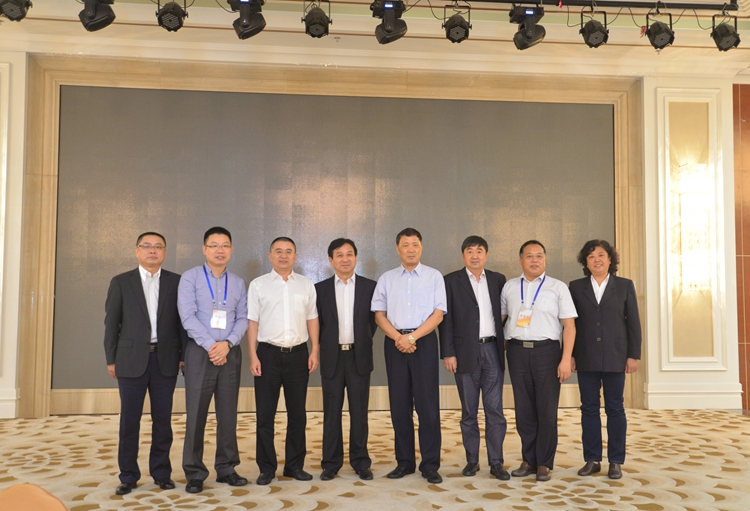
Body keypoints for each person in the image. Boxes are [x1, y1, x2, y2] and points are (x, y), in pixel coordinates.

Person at [104, 232, 186, 495]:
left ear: (164, 252)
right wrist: (111, 359)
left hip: (165, 359)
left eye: (158, 246)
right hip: (130, 360)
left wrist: (183, 355)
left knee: (163, 420)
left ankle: (161, 472)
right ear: (137, 250)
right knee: (129, 421)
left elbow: (182, 323)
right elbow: (111, 324)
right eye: (147, 246)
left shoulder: (176, 282)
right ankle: (128, 475)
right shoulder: (121, 282)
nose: (153, 250)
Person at [371, 227, 446, 484]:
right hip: (395, 344)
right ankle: (404, 462)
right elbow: (379, 315)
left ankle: (430, 465)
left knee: (428, 407)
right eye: (405, 245)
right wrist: (399, 338)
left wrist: (411, 338)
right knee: (399, 406)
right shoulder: (387, 278)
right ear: (397, 249)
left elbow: (438, 314)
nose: (411, 249)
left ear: (421, 247)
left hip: (424, 343)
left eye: (415, 244)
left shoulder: (434, 277)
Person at [177, 227, 249, 494]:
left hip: (229, 352)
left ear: (231, 249)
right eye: (214, 245)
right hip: (200, 352)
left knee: (228, 414)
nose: (220, 250)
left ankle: (227, 468)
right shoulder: (191, 278)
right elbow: (187, 317)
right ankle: (195, 472)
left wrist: (227, 344)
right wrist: (212, 346)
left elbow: (243, 317)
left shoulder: (238, 282)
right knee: (196, 413)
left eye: (225, 245)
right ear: (204, 249)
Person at [501, 240, 577, 482]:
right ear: (520, 260)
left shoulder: (557, 287)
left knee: (546, 410)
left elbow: (569, 326)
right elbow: (502, 320)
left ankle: (544, 462)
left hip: (547, 353)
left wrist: (565, 359)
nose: (535, 260)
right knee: (524, 410)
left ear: (545, 259)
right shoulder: (509, 287)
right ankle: (529, 460)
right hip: (517, 352)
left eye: (539, 256)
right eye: (529, 256)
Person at [247, 237, 320, 486]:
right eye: (278, 251)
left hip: (298, 355)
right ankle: (266, 468)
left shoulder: (306, 284)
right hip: (267, 355)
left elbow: (312, 318)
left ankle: (294, 466)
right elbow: (252, 322)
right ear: (270, 256)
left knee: (297, 414)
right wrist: (253, 355)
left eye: (289, 251)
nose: (283, 255)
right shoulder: (258, 285)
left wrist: (314, 350)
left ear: (295, 257)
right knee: (265, 415)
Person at [569, 239, 642, 480]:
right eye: (591, 256)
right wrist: (570, 355)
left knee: (615, 408)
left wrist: (633, 355)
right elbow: (570, 324)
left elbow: (633, 323)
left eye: (601, 255)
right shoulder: (575, 287)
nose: (597, 260)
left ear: (610, 260)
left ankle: (615, 461)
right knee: (589, 408)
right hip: (586, 355)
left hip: (616, 355)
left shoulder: (624, 285)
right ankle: (592, 459)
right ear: (585, 262)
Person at [439, 235, 509, 480]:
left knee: (495, 409)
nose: (475, 255)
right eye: (470, 251)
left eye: (480, 251)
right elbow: (445, 320)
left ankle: (496, 462)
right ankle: (472, 461)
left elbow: (506, 312)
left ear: (486, 255)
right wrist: (448, 352)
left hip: (492, 351)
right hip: (464, 352)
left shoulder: (498, 280)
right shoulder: (450, 281)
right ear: (463, 255)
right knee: (469, 411)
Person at [316, 238, 377, 481]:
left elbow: (373, 322)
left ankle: (360, 462)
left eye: (349, 254)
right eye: (339, 255)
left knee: (359, 412)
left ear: (356, 258)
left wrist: (360, 341)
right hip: (331, 357)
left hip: (358, 356)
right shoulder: (319, 289)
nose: (345, 259)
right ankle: (331, 463)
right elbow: (318, 323)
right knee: (331, 412)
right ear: (331, 260)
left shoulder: (369, 287)